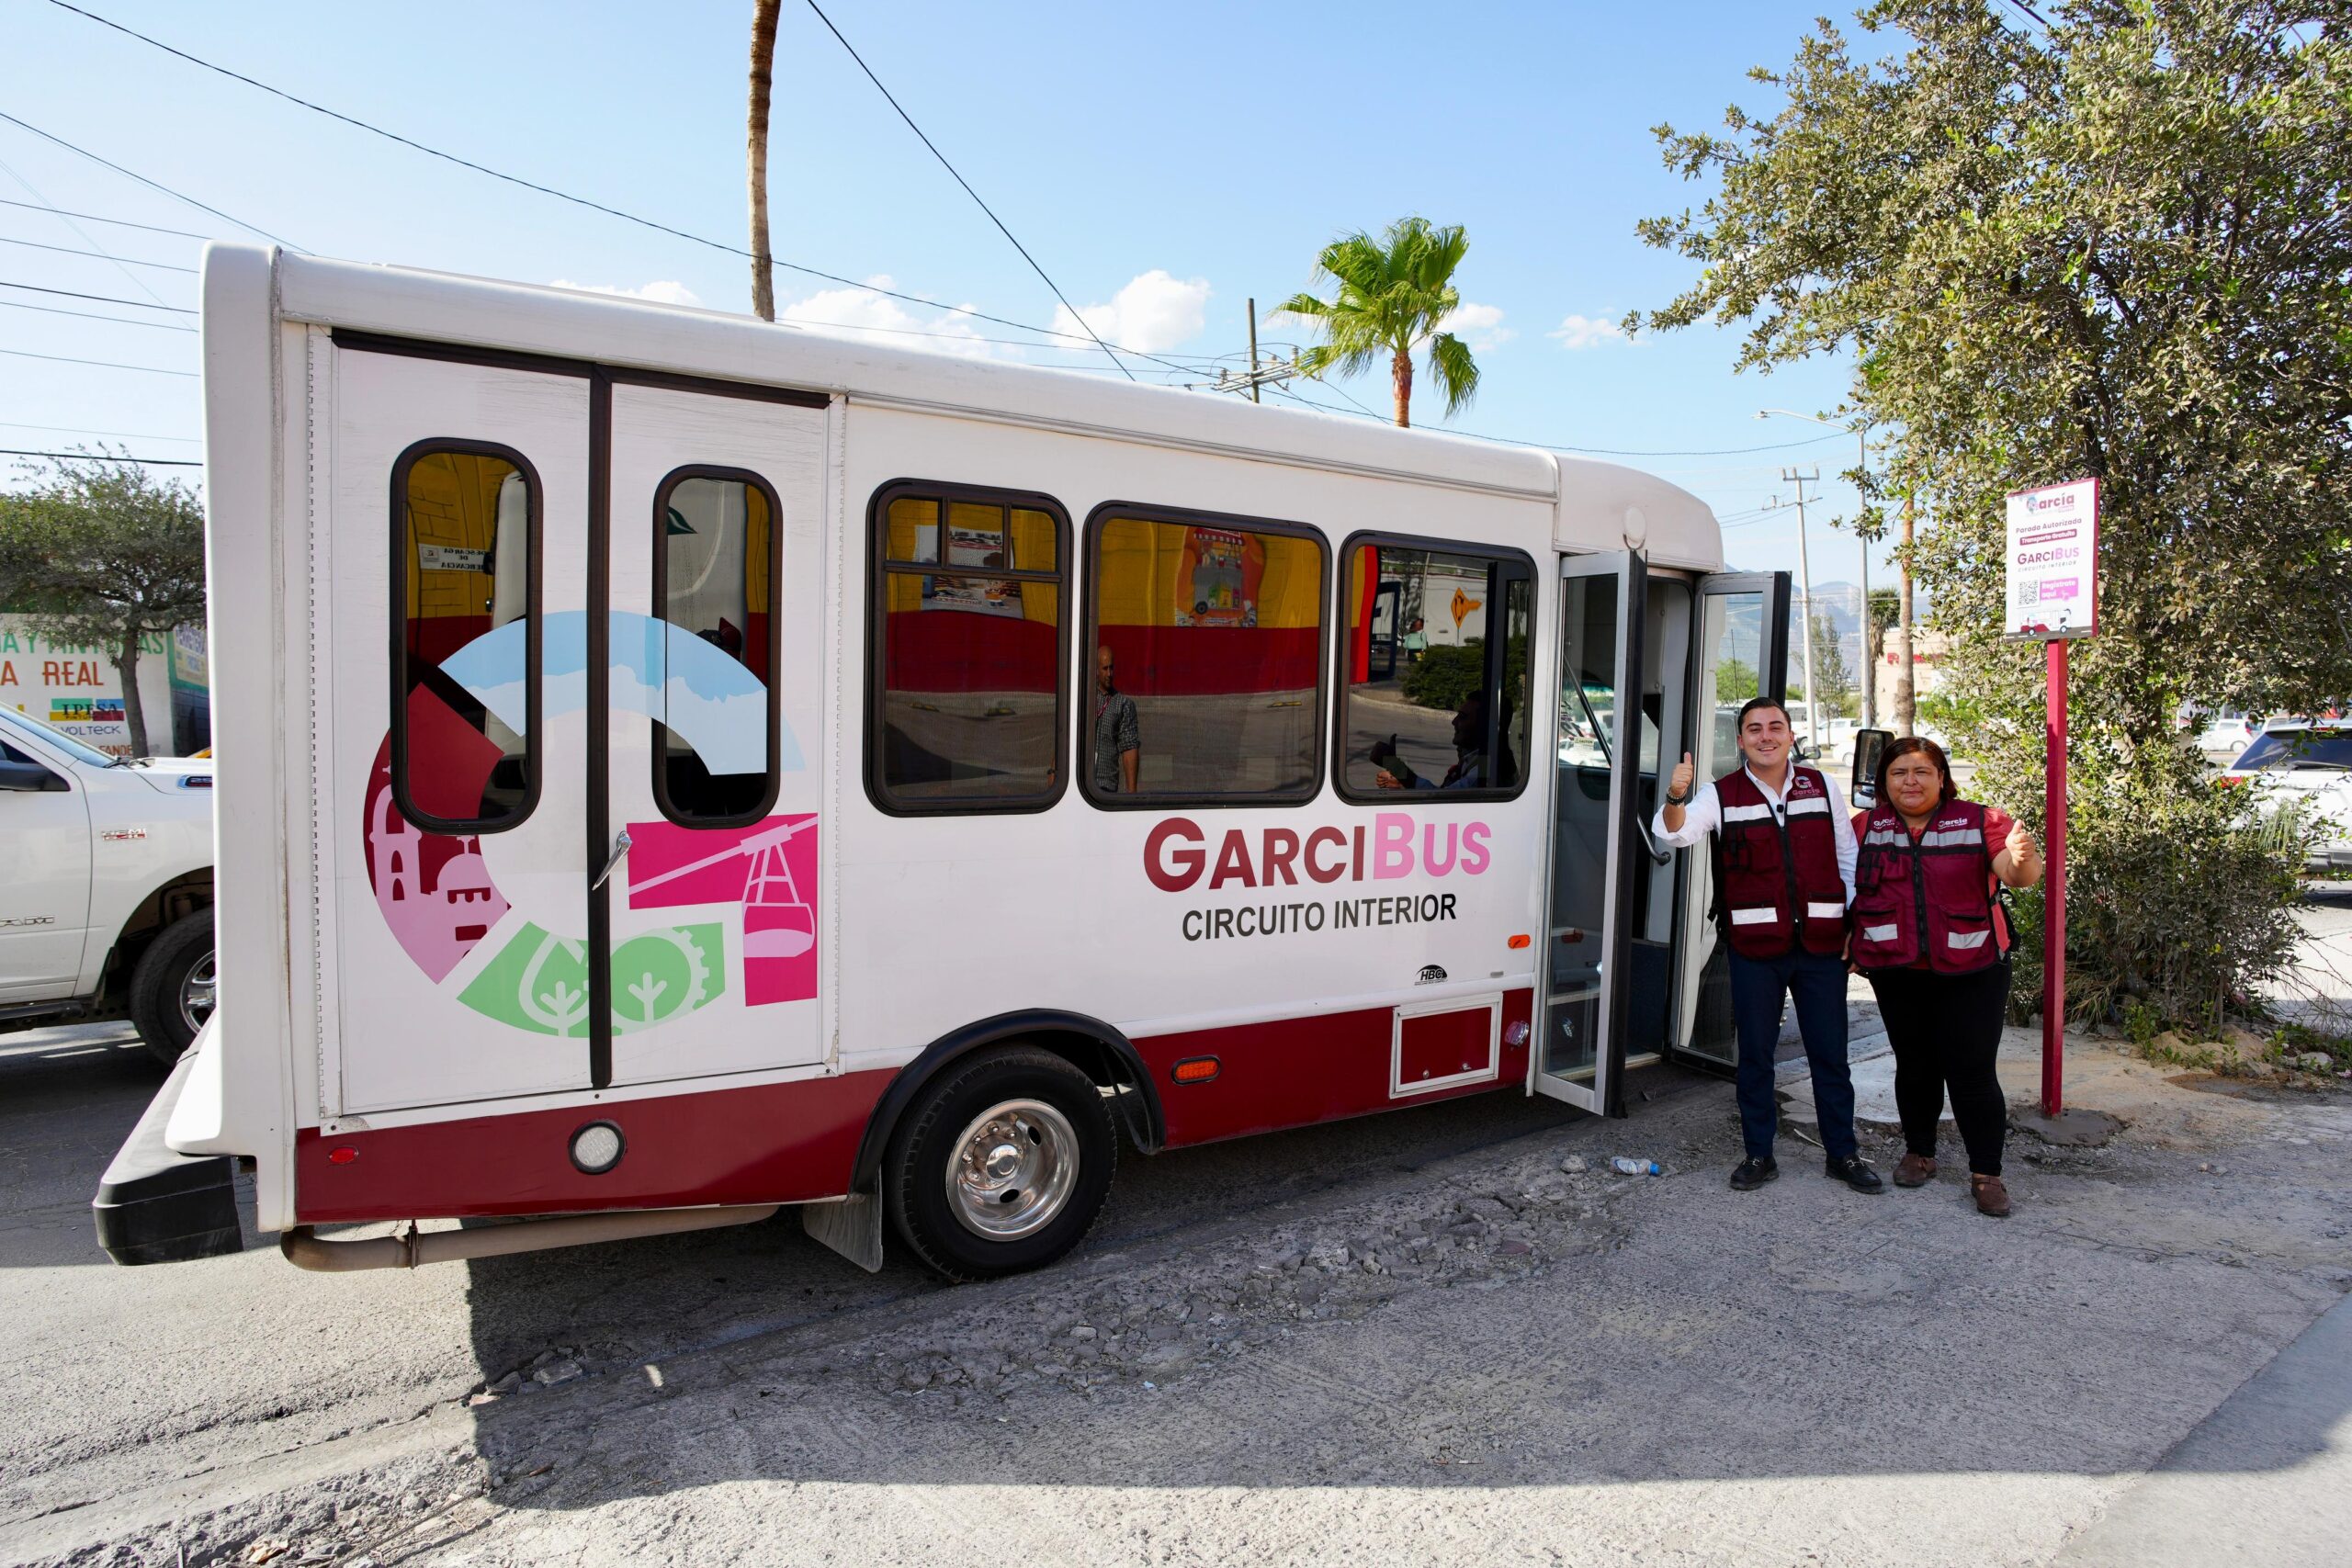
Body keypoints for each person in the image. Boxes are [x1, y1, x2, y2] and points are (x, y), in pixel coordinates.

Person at [1655, 698, 1883, 1194]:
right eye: (1754, 729)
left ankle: (1842, 1154)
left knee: (1831, 1055)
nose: (1765, 736)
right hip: (1755, 947)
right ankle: (1760, 1154)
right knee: (1756, 1056)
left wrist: (1851, 924)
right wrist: (1676, 796)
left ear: (1789, 735)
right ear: (1740, 740)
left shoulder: (1820, 785)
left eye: (1775, 726)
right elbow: (1673, 834)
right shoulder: (1720, 794)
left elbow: (1849, 858)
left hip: (1821, 946)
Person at [1849, 736, 2042, 1217]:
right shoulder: (1862, 827)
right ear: (1883, 781)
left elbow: (2018, 875)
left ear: (1941, 778)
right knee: (1914, 1065)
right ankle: (1919, 1153)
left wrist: (2020, 856)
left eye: (1921, 772)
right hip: (1896, 969)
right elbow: (1841, 887)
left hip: (1973, 968)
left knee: (1972, 1071)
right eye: (1898, 773)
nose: (1909, 782)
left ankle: (1986, 1173)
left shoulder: (1982, 821)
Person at [1370, 691, 1515, 791]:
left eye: (1463, 717)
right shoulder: (1478, 758)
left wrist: (1394, 765)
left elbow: (1442, 803)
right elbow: (1444, 793)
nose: (1454, 722)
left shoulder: (1485, 769)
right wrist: (1404, 785)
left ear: (1485, 727)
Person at [1091, 645, 1139, 795]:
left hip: (1106, 786)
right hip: (1079, 784)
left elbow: (1129, 748)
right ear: (1096, 670)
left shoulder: (1123, 704)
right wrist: (1053, 775)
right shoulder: (1082, 699)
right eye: (1105, 668)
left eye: (1111, 668)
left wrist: (1131, 793)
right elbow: (1064, 738)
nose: (1109, 673)